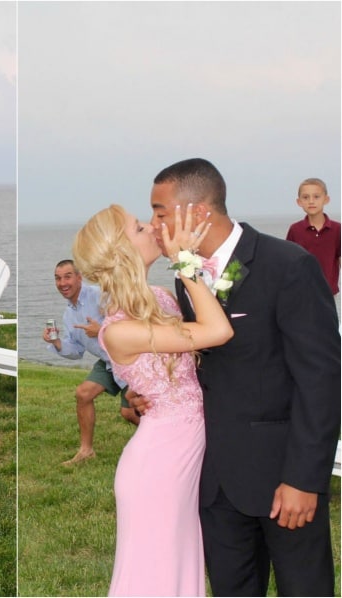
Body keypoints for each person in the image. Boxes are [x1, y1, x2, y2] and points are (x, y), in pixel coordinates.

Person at [134, 158, 340, 596]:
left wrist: (304, 479)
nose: (153, 225)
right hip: (214, 481)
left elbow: (321, 381)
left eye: (160, 212)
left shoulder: (288, 266)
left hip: (282, 476)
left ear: (198, 213)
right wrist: (147, 394)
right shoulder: (187, 277)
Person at [72, 203, 233, 596]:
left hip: (184, 454)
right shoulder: (118, 330)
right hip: (158, 466)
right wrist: (185, 260)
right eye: (140, 228)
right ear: (122, 252)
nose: (152, 227)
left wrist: (137, 392)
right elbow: (217, 331)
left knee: (178, 568)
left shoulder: (161, 297)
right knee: (154, 577)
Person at [42, 259, 139, 467]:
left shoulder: (101, 296)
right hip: (108, 362)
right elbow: (76, 352)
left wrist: (102, 331)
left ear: (79, 277)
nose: (62, 283)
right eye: (58, 278)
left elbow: (130, 323)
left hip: (129, 357)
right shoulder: (69, 314)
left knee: (129, 412)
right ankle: (86, 451)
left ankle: (165, 442)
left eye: (68, 277)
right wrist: (56, 342)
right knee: (83, 394)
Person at [286, 177, 340, 295]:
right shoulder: (295, 229)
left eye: (316, 197)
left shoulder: (337, 229)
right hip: (302, 293)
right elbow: (288, 262)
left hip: (329, 294)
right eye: (306, 197)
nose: (311, 201)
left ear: (326, 199)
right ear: (299, 202)